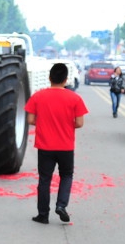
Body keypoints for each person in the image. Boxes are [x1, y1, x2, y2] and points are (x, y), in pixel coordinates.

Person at [25, 62, 88, 224]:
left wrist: (45, 122)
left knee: (44, 179)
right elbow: (79, 123)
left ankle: (43, 215)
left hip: (45, 146)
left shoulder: (38, 96)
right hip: (66, 146)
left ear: (49, 78)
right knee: (66, 175)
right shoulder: (75, 98)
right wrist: (66, 125)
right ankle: (61, 205)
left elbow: (30, 119)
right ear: (66, 79)